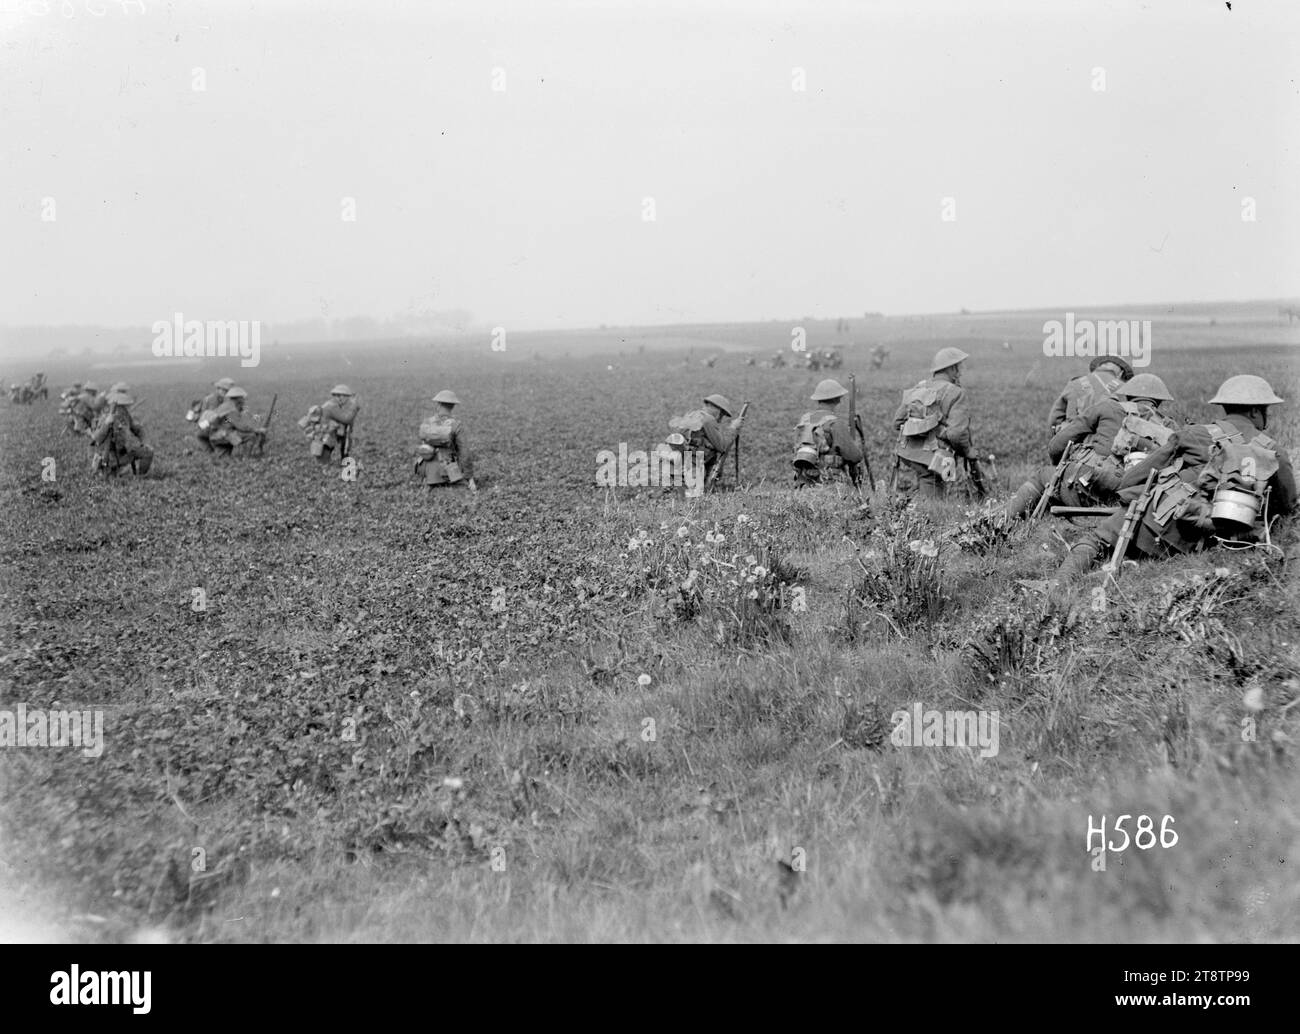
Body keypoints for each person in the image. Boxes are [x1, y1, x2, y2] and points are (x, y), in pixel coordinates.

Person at [1055, 375, 1295, 583]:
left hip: (1164, 526)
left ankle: (1057, 587)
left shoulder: (1194, 434)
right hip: (1217, 542)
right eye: (1266, 410)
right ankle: (1128, 566)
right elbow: (1287, 506)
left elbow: (1132, 478)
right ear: (1255, 411)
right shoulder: (1273, 453)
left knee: (1097, 538)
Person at [1005, 373, 1178, 518]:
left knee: (1043, 476)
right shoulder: (1170, 427)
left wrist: (1062, 467)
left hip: (1094, 481)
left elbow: (1057, 445)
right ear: (1159, 401)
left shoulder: (1108, 407)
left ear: (1128, 395)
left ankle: (1004, 520)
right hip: (1136, 495)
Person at [891, 347, 972, 499]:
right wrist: (968, 452)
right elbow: (957, 434)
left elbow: (897, 423)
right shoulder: (956, 392)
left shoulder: (919, 387)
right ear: (952, 368)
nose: (961, 371)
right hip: (933, 456)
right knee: (933, 498)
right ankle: (928, 517)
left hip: (907, 453)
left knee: (923, 484)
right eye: (959, 367)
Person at [793, 379, 864, 486]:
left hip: (804, 480)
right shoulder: (834, 423)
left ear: (818, 400)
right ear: (837, 400)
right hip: (828, 482)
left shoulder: (805, 419)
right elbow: (854, 456)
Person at [1047, 356, 1134, 434]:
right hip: (1111, 439)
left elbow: (1055, 417)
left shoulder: (1075, 383)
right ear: (1121, 373)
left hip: (1075, 437)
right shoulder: (1125, 388)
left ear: (1098, 366)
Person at [668, 394, 742, 485]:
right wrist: (733, 428)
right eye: (722, 414)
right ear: (717, 409)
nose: (720, 418)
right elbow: (722, 446)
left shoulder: (694, 416)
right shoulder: (707, 419)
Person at [416, 390, 475, 489]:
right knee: (467, 491)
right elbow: (465, 453)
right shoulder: (456, 425)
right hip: (450, 472)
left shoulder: (427, 422)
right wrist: (470, 478)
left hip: (430, 473)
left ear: (438, 404)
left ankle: (428, 482)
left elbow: (423, 449)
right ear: (453, 406)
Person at [90, 390, 153, 476]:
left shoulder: (124, 414)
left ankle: (137, 475)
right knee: (147, 453)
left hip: (122, 452)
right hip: (110, 457)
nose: (122, 409)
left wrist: (143, 441)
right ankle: (138, 477)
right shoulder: (106, 418)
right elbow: (97, 438)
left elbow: (136, 428)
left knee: (147, 451)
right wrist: (107, 424)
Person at [207, 386, 267, 458]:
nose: (243, 400)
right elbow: (241, 427)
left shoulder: (225, 406)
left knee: (223, 460)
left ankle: (222, 457)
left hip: (214, 435)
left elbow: (228, 422)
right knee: (251, 435)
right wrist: (258, 430)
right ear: (238, 398)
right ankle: (246, 458)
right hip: (222, 435)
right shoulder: (232, 410)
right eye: (242, 398)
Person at [314, 384, 360, 464]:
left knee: (344, 441)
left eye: (346, 396)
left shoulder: (337, 405)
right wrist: (354, 407)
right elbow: (346, 419)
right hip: (327, 432)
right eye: (341, 396)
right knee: (327, 446)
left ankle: (343, 459)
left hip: (333, 430)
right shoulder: (331, 406)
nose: (345, 399)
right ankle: (323, 462)